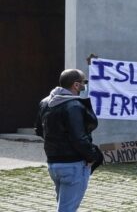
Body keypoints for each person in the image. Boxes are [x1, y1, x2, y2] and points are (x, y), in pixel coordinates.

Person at [35, 69, 101, 212]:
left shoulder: (45, 103)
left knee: (64, 205)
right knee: (67, 209)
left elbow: (40, 130)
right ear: (76, 85)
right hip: (73, 165)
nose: (85, 85)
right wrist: (92, 156)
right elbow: (79, 138)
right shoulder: (74, 106)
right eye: (84, 82)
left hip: (53, 163)